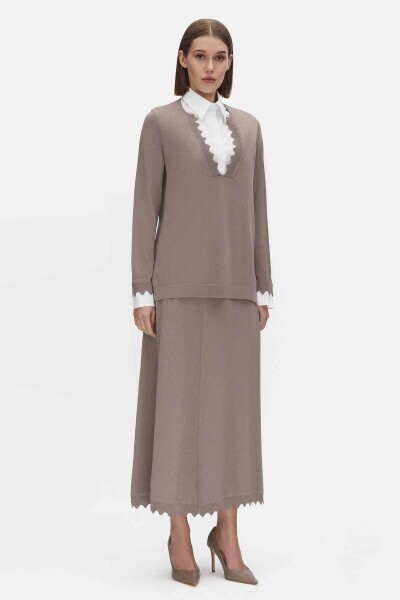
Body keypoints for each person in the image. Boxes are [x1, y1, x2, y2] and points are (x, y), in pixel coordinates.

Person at [130, 18, 274, 586]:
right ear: (183, 59)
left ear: (230, 62)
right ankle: (179, 531)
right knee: (177, 411)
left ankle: (228, 532)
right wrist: (143, 290)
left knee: (233, 413)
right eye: (200, 56)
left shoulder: (252, 128)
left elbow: (258, 210)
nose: (210, 67)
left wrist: (262, 285)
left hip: (236, 290)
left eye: (220, 57)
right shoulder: (160, 123)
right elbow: (145, 210)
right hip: (177, 290)